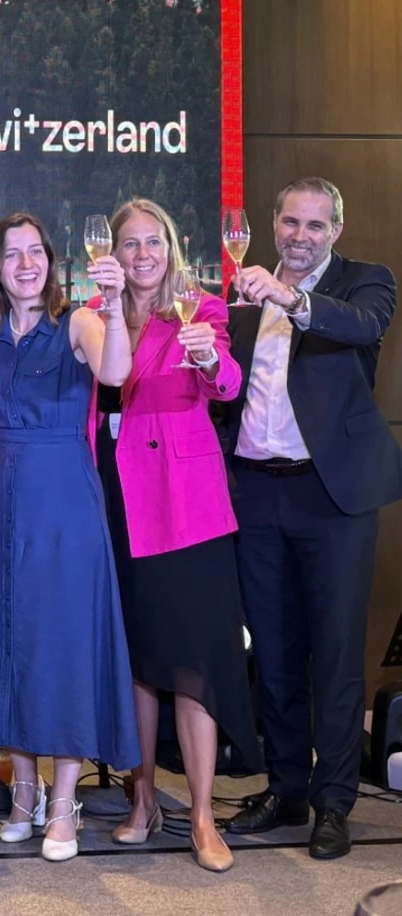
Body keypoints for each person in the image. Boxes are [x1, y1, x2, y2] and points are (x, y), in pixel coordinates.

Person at [218, 177, 402, 860]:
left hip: (332, 498)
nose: (300, 236)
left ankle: (334, 802)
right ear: (273, 224)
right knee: (272, 651)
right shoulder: (242, 293)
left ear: (336, 232)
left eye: (315, 226)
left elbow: (362, 326)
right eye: (291, 223)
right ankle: (287, 787)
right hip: (256, 492)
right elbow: (228, 392)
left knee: (336, 652)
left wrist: (289, 297)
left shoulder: (365, 283)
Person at [0, 212, 139, 863]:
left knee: (62, 645)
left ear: (52, 262)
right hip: (3, 499)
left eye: (36, 252)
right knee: (10, 640)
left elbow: (115, 373)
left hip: (64, 502)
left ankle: (64, 803)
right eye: (13, 254)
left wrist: (113, 304)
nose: (27, 264)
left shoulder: (78, 322)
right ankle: (25, 793)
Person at [89, 199, 262, 873]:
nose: (142, 255)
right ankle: (142, 801)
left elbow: (227, 383)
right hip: (119, 503)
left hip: (187, 508)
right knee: (138, 662)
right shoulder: (96, 313)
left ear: (171, 248)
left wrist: (211, 361)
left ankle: (201, 815)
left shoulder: (199, 309)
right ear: (113, 254)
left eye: (153, 242)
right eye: (129, 243)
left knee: (192, 665)